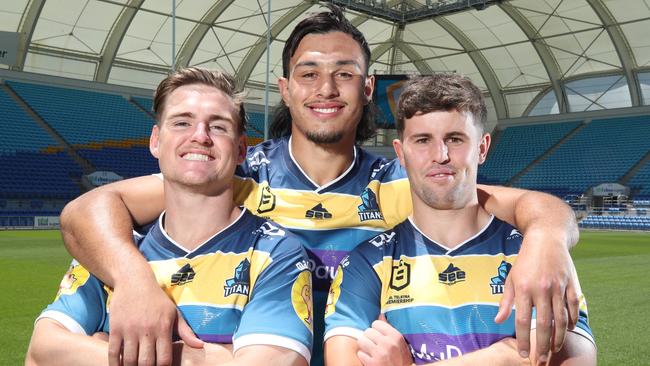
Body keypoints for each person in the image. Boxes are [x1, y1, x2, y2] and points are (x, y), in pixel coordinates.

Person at [60, 5, 581, 366]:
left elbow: (530, 207)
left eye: (345, 74)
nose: (326, 89)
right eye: (308, 74)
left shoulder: (399, 182)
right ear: (286, 90)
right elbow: (90, 210)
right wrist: (132, 282)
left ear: (368, 88)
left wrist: (547, 241)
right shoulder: (239, 175)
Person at [26, 68, 313, 366]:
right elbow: (40, 353)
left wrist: (106, 346)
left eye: (218, 127)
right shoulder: (114, 246)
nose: (199, 136)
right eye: (182, 122)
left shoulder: (275, 252)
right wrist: (201, 356)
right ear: (156, 141)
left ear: (241, 150)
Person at [323, 74, 596, 366]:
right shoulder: (366, 264)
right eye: (423, 140)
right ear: (401, 153)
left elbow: (574, 361)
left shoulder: (534, 255)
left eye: (454, 139)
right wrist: (505, 356)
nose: (440, 156)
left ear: (482, 147)